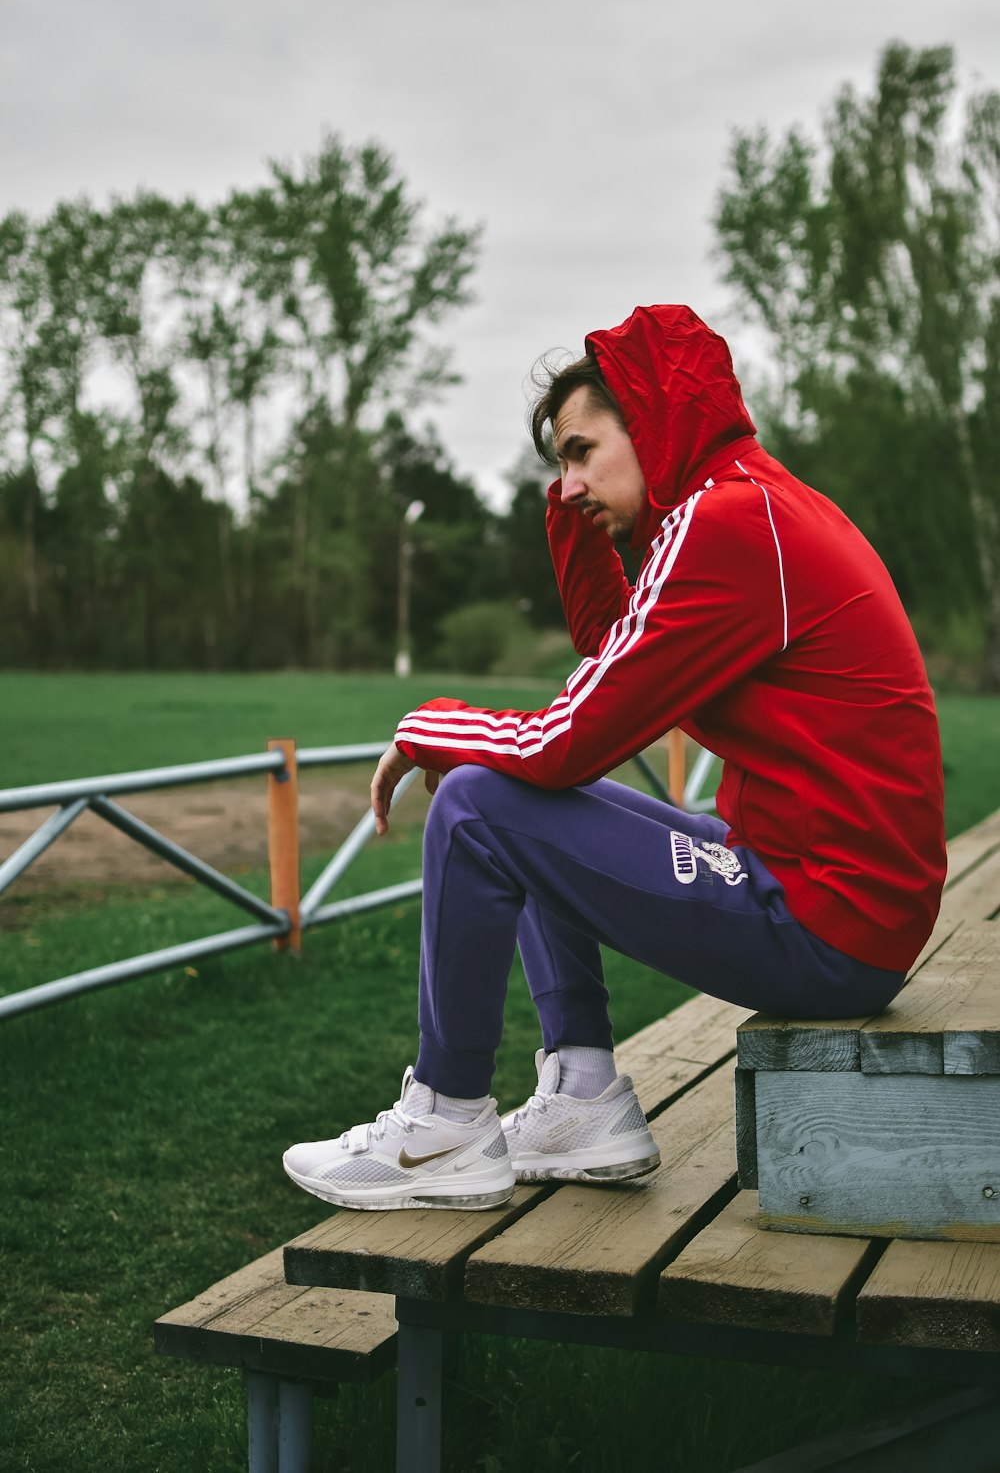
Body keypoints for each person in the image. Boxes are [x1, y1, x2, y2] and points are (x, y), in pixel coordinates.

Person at [283, 303, 947, 1213]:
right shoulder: (743, 504)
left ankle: (443, 1124)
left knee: (479, 801)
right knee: (514, 790)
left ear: (654, 421)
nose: (568, 482)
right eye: (558, 463)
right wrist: (574, 523)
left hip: (828, 922)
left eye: (580, 451)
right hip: (838, 897)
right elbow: (616, 665)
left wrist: (428, 724)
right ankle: (583, 1099)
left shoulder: (729, 522)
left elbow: (567, 738)